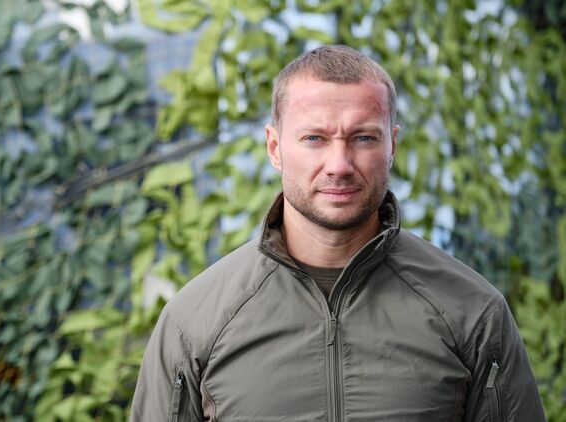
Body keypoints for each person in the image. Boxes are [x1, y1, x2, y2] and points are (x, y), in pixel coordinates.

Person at [131, 45, 545, 421]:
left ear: (392, 145)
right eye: (315, 138)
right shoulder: (195, 321)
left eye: (363, 138)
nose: (339, 165)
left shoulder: (471, 311)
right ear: (275, 148)